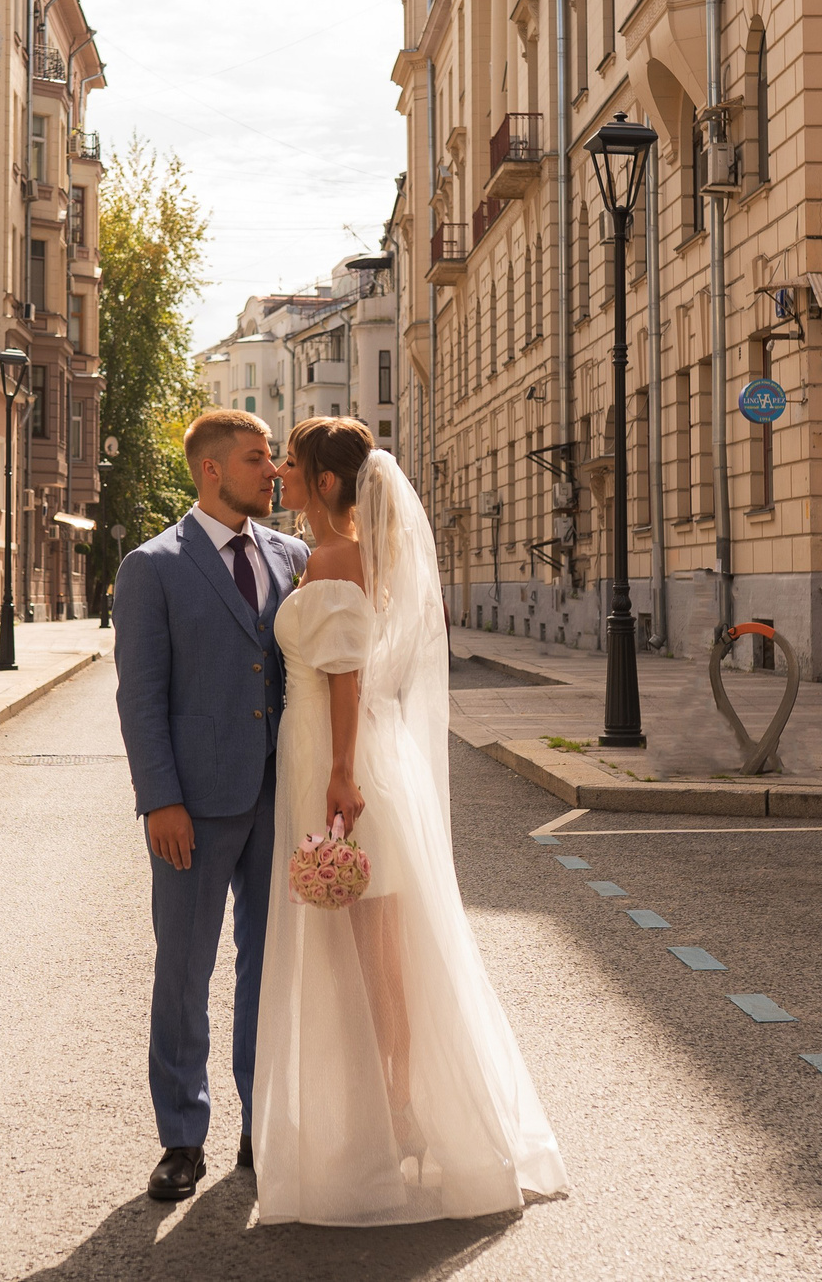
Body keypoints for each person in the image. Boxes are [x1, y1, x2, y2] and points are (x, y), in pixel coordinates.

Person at [251, 417, 568, 1225]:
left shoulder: (333, 558)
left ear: (325, 482)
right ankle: (398, 1108)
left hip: (340, 758)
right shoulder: (359, 555)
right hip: (360, 755)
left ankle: (392, 1114)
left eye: (291, 462)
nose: (281, 472)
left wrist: (340, 772)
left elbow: (346, 677)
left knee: (368, 955)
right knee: (384, 951)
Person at [113, 410, 309, 1204]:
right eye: (259, 458)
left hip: (279, 794)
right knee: (184, 968)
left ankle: (260, 1123)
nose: (274, 471)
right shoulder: (152, 566)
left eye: (274, 457)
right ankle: (182, 1136)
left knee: (270, 966)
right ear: (212, 470)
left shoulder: (293, 556)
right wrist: (160, 797)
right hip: (192, 805)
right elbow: (140, 697)